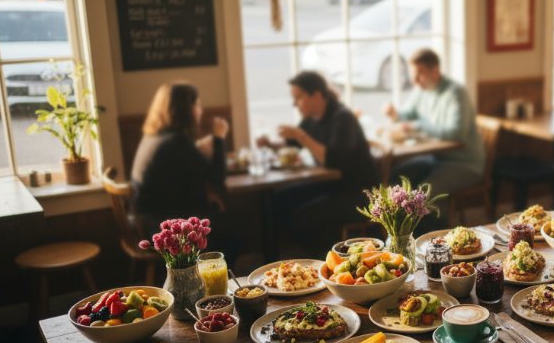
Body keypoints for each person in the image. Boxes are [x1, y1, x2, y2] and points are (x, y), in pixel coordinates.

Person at [259, 71, 378, 254]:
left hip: (358, 193)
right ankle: (274, 259)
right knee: (278, 198)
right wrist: (271, 144)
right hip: (332, 185)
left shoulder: (342, 118)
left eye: (298, 97)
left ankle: (326, 262)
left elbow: (332, 160)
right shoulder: (312, 118)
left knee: (302, 219)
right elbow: (293, 144)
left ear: (316, 95)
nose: (294, 104)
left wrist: (300, 135)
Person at [131, 82, 236, 260]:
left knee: (223, 219)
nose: (200, 111)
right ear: (186, 109)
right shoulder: (177, 141)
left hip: (148, 217)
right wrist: (218, 138)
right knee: (234, 232)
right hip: (162, 225)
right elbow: (217, 177)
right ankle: (217, 283)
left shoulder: (155, 137)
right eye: (197, 105)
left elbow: (181, 176)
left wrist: (204, 193)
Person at [384, 48, 485, 197]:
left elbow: (456, 133)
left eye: (420, 74)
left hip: (464, 163)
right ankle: (398, 220)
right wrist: (395, 114)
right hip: (436, 157)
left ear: (435, 71)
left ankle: (438, 220)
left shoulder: (456, 93)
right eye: (413, 75)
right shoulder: (422, 89)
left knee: (424, 194)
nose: (414, 80)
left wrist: (418, 126)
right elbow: (409, 113)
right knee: (397, 175)